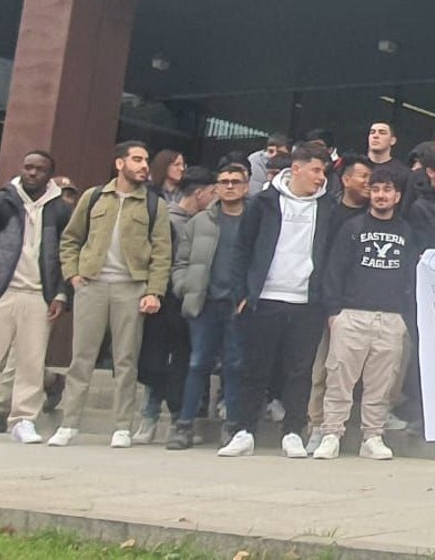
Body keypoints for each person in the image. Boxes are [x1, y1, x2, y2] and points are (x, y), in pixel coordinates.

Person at [49, 141, 171, 448]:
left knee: (126, 359)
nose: (144, 165)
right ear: (120, 163)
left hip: (131, 287)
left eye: (146, 160)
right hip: (92, 284)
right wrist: (73, 274)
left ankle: (121, 426)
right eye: (137, 159)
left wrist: (154, 290)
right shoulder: (92, 197)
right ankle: (69, 423)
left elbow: (162, 252)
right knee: (81, 357)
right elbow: (70, 239)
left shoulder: (154, 205)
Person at [218, 142, 335, 458]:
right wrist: (241, 294)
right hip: (265, 298)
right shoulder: (263, 202)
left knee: (300, 370)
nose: (320, 177)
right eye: (315, 170)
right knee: (255, 368)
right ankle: (243, 430)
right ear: (296, 168)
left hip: (306, 301)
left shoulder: (327, 207)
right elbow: (242, 249)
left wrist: (325, 298)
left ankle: (294, 431)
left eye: (323, 171)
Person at [0, 152, 71, 444]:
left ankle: (24, 420)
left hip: (38, 295)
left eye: (39, 169)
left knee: (32, 363)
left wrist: (61, 293)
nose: (32, 173)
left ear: (50, 174)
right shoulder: (1, 201)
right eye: (28, 167)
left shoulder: (59, 209)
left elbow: (66, 254)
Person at [312, 170, 414, 461]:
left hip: (391, 317)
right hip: (351, 315)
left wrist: (404, 317)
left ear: (397, 196)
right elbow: (334, 270)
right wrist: (334, 312)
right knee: (339, 379)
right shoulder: (352, 227)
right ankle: (331, 433)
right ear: (369, 193)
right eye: (377, 189)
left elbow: (411, 275)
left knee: (381, 384)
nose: (382, 195)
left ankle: (372, 436)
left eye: (388, 190)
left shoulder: (407, 231)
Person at [165, 163, 250, 450]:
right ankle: (184, 425)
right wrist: (185, 287)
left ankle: (233, 426)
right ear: (215, 187)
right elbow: (180, 262)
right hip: (205, 302)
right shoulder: (200, 222)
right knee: (198, 363)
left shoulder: (255, 220)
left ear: (246, 186)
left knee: (235, 366)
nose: (229, 186)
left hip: (238, 305)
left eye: (235, 181)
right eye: (224, 181)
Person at [134, 166, 217, 444]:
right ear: (198, 193)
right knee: (159, 362)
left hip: (188, 303)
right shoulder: (167, 219)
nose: (214, 198)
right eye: (211, 193)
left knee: (181, 362)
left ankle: (176, 421)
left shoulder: (204, 222)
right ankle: (149, 418)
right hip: (163, 300)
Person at [305, 153, 373, 454]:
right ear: (345, 180)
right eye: (363, 177)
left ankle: (362, 428)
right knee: (323, 368)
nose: (370, 185)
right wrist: (329, 304)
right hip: (329, 303)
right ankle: (317, 427)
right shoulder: (326, 213)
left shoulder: (376, 214)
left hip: (365, 302)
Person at [365, 121, 409, 197]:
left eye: (382, 133)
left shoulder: (404, 173)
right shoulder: (357, 166)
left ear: (392, 141)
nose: (375, 136)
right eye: (372, 132)